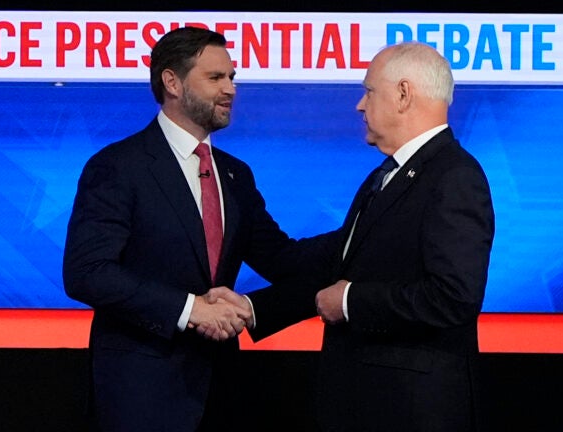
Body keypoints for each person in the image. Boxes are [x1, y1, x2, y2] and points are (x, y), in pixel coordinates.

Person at [214, 41, 495, 431]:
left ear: (402, 94)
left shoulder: (454, 177)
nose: (359, 106)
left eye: (368, 91)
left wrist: (350, 301)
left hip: (413, 410)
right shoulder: (385, 176)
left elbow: (453, 299)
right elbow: (338, 264)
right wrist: (252, 308)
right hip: (368, 402)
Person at [62, 27, 299, 432]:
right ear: (172, 81)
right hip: (142, 396)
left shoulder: (235, 174)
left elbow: (282, 259)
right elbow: (87, 272)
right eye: (215, 78)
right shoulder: (119, 166)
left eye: (232, 78)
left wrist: (359, 236)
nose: (230, 89)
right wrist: (191, 311)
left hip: (222, 391)